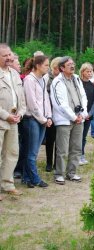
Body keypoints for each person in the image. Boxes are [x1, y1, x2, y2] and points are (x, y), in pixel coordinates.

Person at [50, 56, 88, 185]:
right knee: (62, 149)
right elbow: (59, 103)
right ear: (61, 68)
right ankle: (59, 174)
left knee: (76, 147)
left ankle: (72, 172)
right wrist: (73, 117)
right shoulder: (57, 81)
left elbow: (83, 96)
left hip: (79, 119)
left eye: (73, 64)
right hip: (65, 120)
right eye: (69, 64)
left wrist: (83, 114)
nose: (72, 66)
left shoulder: (77, 78)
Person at [0, 43, 26, 199]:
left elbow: (21, 99)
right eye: (5, 56)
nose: (9, 58)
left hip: (14, 121)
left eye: (10, 55)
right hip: (2, 120)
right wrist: (5, 115)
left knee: (12, 152)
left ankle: (7, 184)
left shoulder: (15, 74)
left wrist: (20, 114)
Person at [22, 55, 52, 188]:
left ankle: (26, 177)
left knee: (33, 150)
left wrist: (49, 117)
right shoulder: (29, 80)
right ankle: (34, 178)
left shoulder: (43, 80)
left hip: (42, 120)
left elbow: (46, 99)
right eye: (46, 65)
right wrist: (43, 119)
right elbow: (32, 103)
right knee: (32, 151)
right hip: (32, 119)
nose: (48, 67)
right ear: (38, 66)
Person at [43, 57, 61, 172]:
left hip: (60, 113)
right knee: (50, 140)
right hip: (49, 113)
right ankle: (49, 162)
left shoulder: (63, 79)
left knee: (59, 140)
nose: (58, 71)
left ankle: (56, 163)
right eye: (57, 68)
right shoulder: (46, 78)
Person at [79, 63, 94, 165]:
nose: (90, 73)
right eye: (88, 71)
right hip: (79, 115)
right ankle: (76, 155)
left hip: (88, 116)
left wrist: (89, 114)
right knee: (77, 136)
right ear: (82, 72)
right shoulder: (78, 84)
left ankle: (82, 154)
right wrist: (82, 114)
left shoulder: (93, 86)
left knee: (84, 136)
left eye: (91, 71)